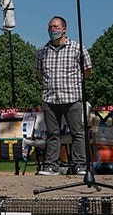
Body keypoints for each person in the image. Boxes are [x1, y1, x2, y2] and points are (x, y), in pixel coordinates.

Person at [35, 16, 91, 175]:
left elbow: (87, 71)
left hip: (72, 97)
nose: (52, 30)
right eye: (50, 27)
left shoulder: (77, 48)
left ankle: (80, 165)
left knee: (77, 133)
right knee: (52, 134)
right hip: (50, 98)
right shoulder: (42, 51)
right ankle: (51, 166)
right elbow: (39, 73)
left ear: (64, 29)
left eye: (55, 27)